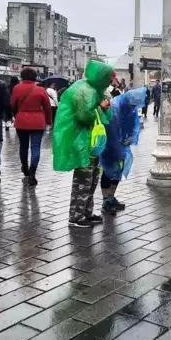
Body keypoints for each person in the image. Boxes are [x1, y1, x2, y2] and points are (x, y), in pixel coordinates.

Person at [52, 60, 116, 228]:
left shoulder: (93, 89)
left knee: (92, 178)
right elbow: (84, 116)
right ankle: (76, 216)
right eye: (109, 78)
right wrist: (101, 107)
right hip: (82, 143)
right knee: (83, 179)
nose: (110, 83)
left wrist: (103, 107)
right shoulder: (84, 90)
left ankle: (86, 212)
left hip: (90, 142)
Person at [101, 87, 147, 213]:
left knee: (118, 171)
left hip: (121, 143)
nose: (134, 107)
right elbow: (112, 131)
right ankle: (106, 201)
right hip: (109, 144)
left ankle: (111, 197)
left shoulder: (129, 108)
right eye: (133, 104)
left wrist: (131, 137)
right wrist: (117, 150)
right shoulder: (115, 107)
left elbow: (134, 124)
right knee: (108, 170)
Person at [11, 67, 52, 186]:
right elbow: (47, 107)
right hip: (38, 122)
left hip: (22, 121)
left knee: (23, 146)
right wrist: (48, 121)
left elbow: (12, 104)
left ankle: (24, 167)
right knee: (35, 147)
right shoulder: (40, 90)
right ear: (35, 77)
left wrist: (16, 115)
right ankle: (32, 172)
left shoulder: (17, 88)